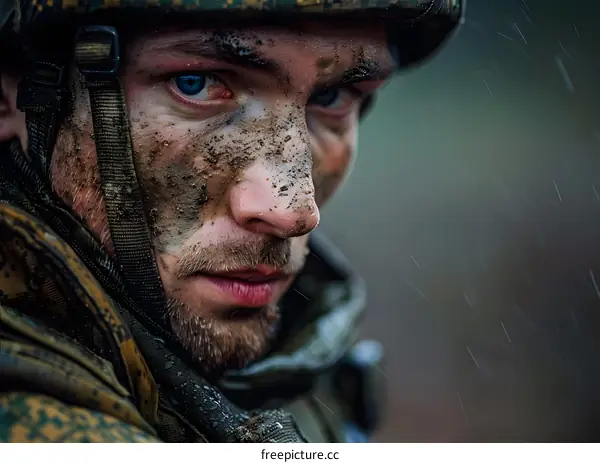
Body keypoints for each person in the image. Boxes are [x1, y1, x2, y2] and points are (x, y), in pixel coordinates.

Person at [0, 0, 463, 443]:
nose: (293, 212)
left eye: (332, 95)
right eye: (196, 83)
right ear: (9, 97)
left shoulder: (306, 366)